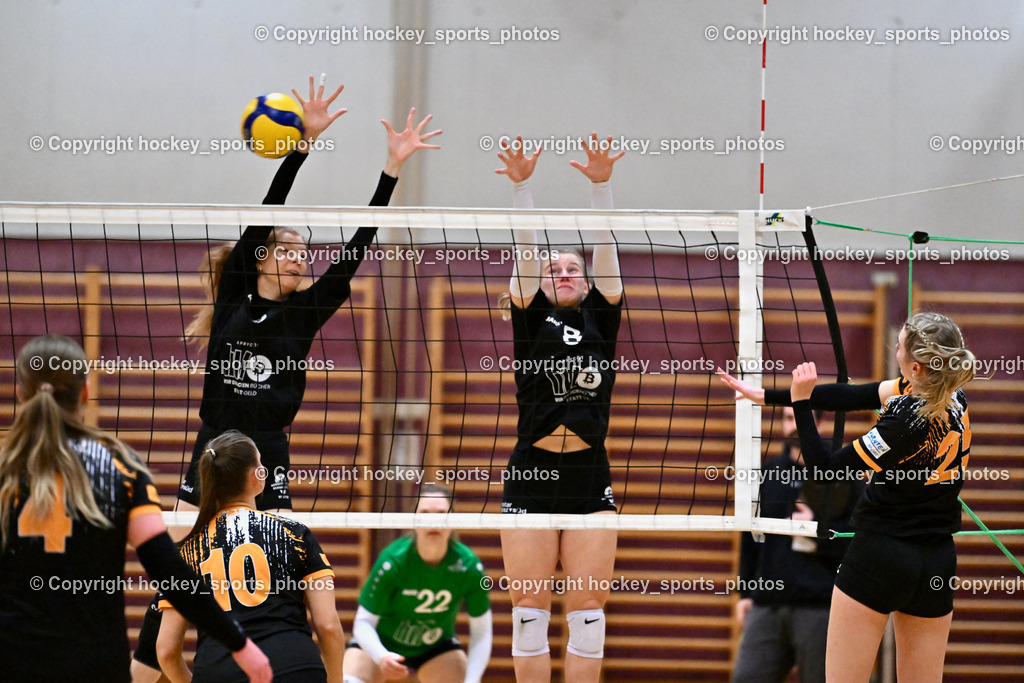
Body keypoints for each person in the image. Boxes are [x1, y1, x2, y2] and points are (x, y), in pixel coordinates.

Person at [177, 76, 441, 513]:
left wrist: (391, 169)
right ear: (261, 258)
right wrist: (305, 143)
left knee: (278, 556)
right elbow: (271, 203)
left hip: (266, 450)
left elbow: (354, 251)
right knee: (184, 546)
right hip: (216, 441)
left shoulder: (303, 313)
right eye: (286, 251)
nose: (299, 260)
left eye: (304, 255)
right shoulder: (233, 295)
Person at [719, 312, 975, 683]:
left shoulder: (904, 419)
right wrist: (772, 396)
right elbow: (855, 395)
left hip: (880, 556)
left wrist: (801, 405)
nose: (895, 349)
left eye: (899, 346)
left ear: (916, 368)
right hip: (935, 562)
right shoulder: (952, 395)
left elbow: (824, 470)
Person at [0, 335, 271, 683]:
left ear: (20, 393)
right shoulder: (120, 470)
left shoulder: (6, 473)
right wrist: (240, 644)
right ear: (85, 392)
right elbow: (169, 571)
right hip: (95, 666)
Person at [495, 134, 624, 683]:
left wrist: (601, 188)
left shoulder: (603, 315)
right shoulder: (529, 318)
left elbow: (608, 248)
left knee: (588, 620)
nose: (564, 274)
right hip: (531, 471)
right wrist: (522, 188)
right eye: (555, 270)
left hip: (588, 474)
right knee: (528, 620)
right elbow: (526, 252)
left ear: (587, 278)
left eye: (573, 268)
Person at [156, 430, 343, 683]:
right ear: (257, 477)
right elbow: (328, 628)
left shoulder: (188, 552)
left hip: (220, 673)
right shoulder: (295, 534)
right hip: (295, 668)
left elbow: (166, 650)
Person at [731, 407, 860, 683]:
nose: (793, 426)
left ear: (820, 423)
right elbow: (750, 538)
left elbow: (858, 540)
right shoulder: (766, 475)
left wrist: (816, 531)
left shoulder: (842, 475)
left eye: (800, 419)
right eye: (788, 419)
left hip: (820, 606)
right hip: (767, 606)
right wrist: (745, 592)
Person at [342, 483, 492, 683]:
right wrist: (381, 655)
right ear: (413, 520)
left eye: (441, 513)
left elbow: (482, 631)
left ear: (453, 520)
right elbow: (363, 623)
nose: (433, 521)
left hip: (435, 647)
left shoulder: (469, 566)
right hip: (382, 641)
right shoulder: (393, 561)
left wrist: (472, 680)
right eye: (425, 513)